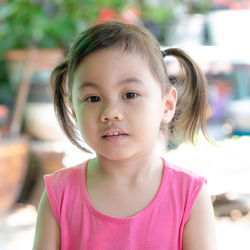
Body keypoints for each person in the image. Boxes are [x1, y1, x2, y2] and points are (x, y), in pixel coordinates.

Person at [32, 22, 217, 250]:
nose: (110, 113)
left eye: (130, 94)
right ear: (73, 111)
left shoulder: (190, 196)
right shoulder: (58, 196)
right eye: (92, 98)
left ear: (167, 105)